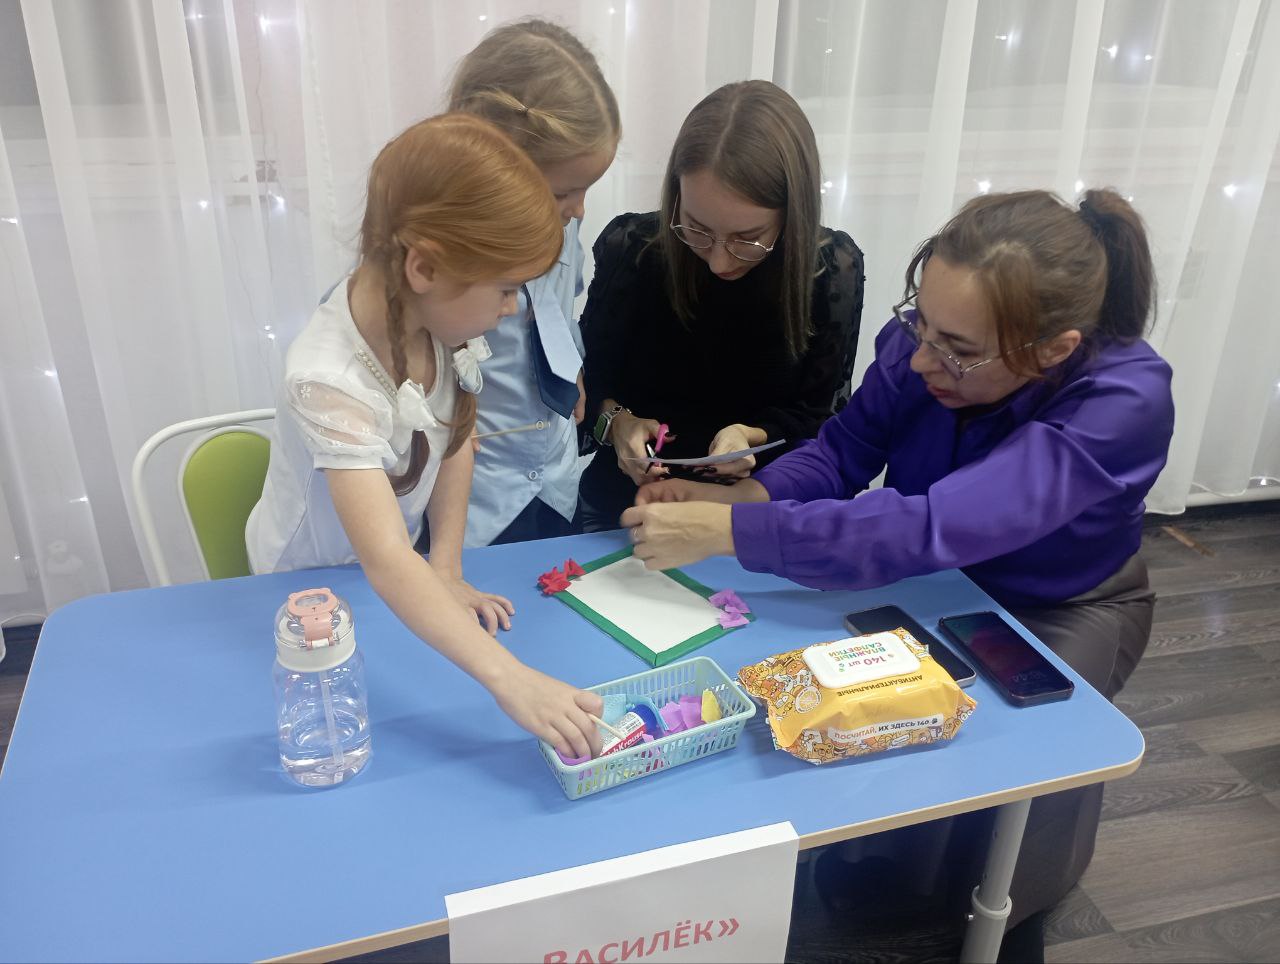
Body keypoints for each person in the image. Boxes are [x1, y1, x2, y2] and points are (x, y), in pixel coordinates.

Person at [622, 188, 1175, 944]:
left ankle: (1002, 918)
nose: (919, 359)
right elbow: (845, 450)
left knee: (1018, 781)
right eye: (920, 323)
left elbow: (937, 524)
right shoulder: (926, 345)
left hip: (1061, 605)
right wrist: (744, 498)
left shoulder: (1123, 402)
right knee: (880, 738)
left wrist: (731, 533)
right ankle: (892, 882)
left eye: (956, 349)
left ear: (1054, 350)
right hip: (932, 577)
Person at [246, 114, 602, 760]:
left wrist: (446, 568)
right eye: (505, 289)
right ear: (424, 267)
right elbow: (385, 557)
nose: (511, 308)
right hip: (307, 594)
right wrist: (512, 680)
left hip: (383, 579)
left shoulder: (439, 321)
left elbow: (455, 438)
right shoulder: (326, 379)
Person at [578, 80, 865, 531]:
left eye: (748, 238)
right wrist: (616, 424)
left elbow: (821, 418)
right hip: (626, 510)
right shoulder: (632, 249)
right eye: (696, 228)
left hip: (756, 519)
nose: (718, 261)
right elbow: (587, 384)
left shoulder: (829, 270)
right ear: (676, 194)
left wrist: (755, 436)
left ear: (794, 215)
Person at [450, 18, 620, 546]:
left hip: (553, 483)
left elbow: (557, 305)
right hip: (477, 496)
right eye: (563, 193)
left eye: (586, 189)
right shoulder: (439, 248)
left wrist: (573, 362)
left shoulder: (563, 224)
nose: (579, 209)